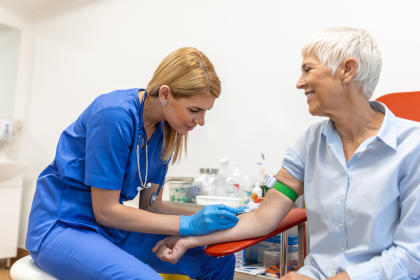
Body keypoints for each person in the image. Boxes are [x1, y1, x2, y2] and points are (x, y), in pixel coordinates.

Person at [153, 28, 420, 280]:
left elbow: (412, 256)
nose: (299, 82)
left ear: (347, 70)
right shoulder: (310, 143)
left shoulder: (413, 147)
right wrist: (190, 240)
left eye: (308, 69)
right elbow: (262, 217)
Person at [25, 47, 239, 280]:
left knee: (217, 258)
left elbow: (151, 205)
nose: (201, 121)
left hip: (112, 230)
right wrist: (188, 224)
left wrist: (207, 217)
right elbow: (106, 211)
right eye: (194, 110)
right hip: (64, 226)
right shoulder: (114, 115)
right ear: (165, 94)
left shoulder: (164, 130)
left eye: (206, 111)